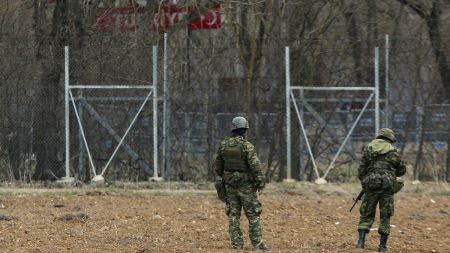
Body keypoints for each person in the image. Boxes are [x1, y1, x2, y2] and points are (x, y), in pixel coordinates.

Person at [215, 116, 268, 251]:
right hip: (246, 187)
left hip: (230, 186)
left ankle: (237, 245)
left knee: (233, 215)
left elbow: (218, 168)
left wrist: (228, 178)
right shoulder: (247, 146)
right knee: (253, 215)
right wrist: (260, 183)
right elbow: (255, 167)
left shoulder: (223, 145)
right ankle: (257, 245)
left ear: (233, 128)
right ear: (245, 129)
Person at [356, 128, 406, 252]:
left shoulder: (369, 149)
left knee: (366, 213)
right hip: (387, 187)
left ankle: (360, 243)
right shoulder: (393, 152)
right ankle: (382, 246)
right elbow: (402, 170)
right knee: (386, 215)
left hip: (371, 186)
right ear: (390, 139)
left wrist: (366, 182)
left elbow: (361, 170)